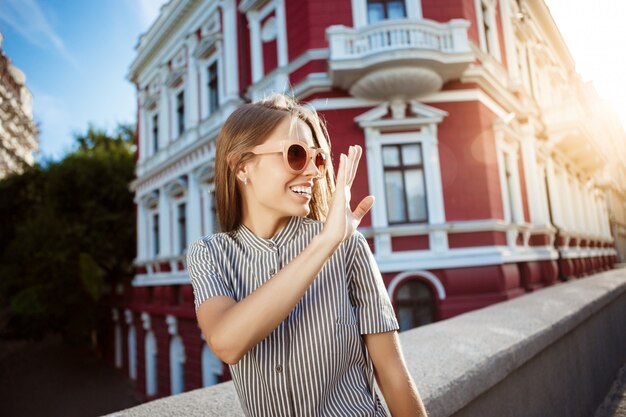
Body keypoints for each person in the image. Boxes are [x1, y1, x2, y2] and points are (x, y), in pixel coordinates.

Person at [187, 93, 428, 417]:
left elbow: (393, 375)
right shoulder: (209, 254)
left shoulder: (348, 246)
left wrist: (332, 241)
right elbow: (226, 342)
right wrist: (324, 244)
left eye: (319, 159)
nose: (314, 172)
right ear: (242, 165)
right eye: (296, 155)